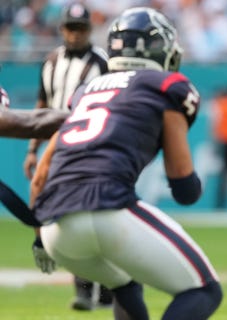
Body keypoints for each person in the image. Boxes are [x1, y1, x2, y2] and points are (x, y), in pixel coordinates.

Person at [28, 7, 222, 320]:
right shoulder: (166, 85)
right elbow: (183, 187)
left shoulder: (85, 92)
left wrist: (39, 239)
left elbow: (41, 176)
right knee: (204, 290)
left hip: (55, 229)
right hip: (107, 206)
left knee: (125, 283)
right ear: (160, 49)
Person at [20, 2, 112, 310]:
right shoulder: (50, 62)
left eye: (81, 29)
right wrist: (33, 149)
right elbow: (42, 104)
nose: (75, 35)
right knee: (68, 219)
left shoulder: (101, 63)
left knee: (98, 216)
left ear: (89, 30)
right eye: (71, 29)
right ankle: (85, 290)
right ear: (62, 30)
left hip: (90, 148)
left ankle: (111, 287)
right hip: (54, 147)